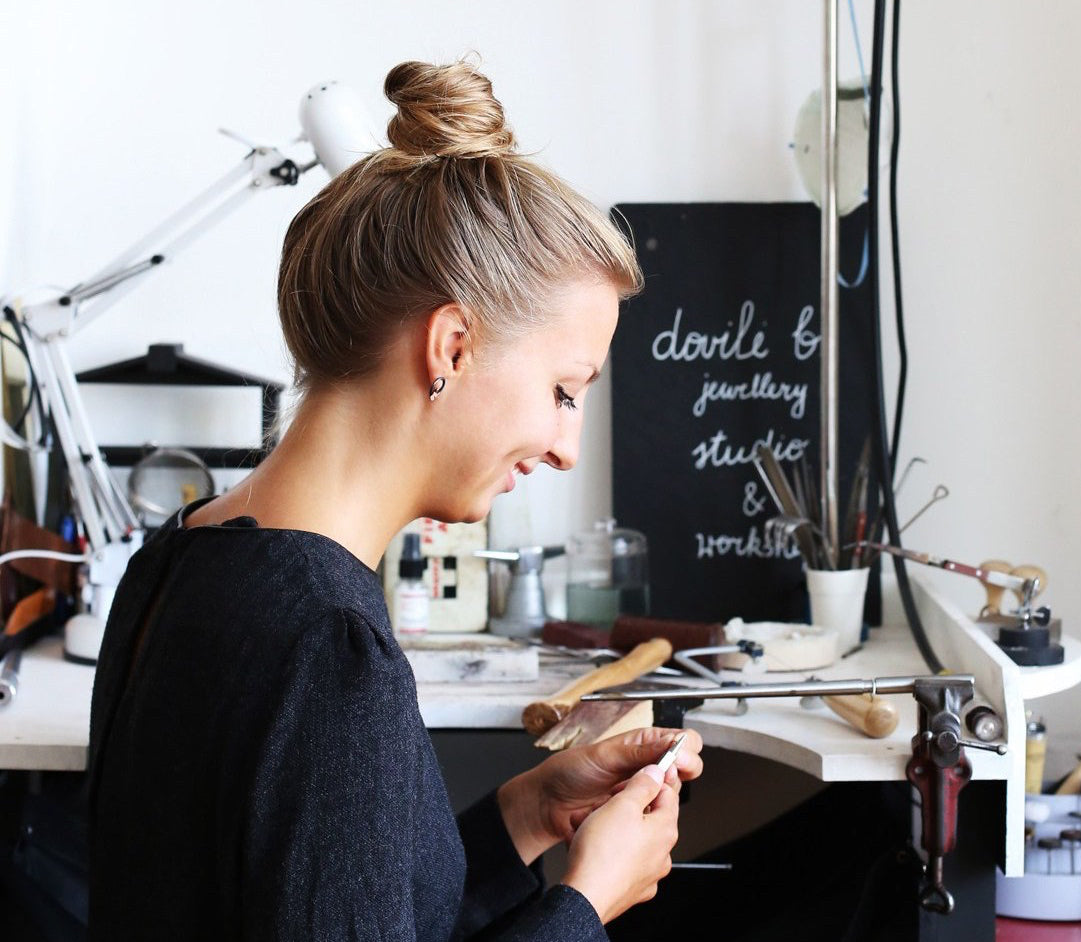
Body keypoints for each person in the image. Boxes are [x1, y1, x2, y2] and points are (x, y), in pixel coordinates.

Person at [87, 58, 703, 941]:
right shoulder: (329, 652)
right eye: (565, 391)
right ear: (450, 347)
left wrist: (523, 818)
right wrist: (585, 903)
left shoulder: (180, 557)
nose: (567, 448)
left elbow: (319, 894)